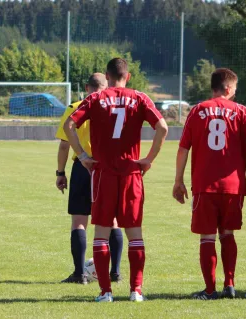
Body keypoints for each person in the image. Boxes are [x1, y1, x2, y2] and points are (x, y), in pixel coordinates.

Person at [63, 58, 168, 302]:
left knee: (101, 234)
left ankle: (106, 292)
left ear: (107, 76)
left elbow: (70, 125)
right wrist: (149, 159)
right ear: (128, 76)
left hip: (103, 174)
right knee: (135, 235)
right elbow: (162, 127)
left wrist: (82, 155)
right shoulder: (140, 98)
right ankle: (136, 291)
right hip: (132, 174)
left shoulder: (95, 98)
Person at [173, 68, 246, 300]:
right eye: (234, 88)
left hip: (205, 185)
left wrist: (178, 180)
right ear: (227, 88)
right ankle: (230, 284)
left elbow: (183, 148)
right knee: (227, 235)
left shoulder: (197, 111)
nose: (236, 92)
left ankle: (209, 289)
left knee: (207, 237)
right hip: (233, 186)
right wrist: (243, 148)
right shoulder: (241, 111)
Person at [56, 73, 124, 285]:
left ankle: (79, 274)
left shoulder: (75, 107)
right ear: (106, 86)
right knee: (112, 220)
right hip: (108, 168)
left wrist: (60, 173)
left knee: (79, 221)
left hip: (82, 166)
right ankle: (115, 272)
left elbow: (64, 144)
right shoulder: (113, 108)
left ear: (87, 87)